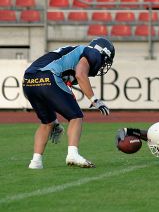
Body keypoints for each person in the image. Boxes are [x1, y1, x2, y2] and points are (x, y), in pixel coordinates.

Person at [24, 38, 115, 169]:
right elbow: (80, 74)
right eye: (106, 60)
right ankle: (72, 154)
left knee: (48, 122)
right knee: (76, 116)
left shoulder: (74, 54)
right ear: (102, 52)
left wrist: (55, 121)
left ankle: (35, 162)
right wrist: (95, 100)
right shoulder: (92, 53)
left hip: (28, 81)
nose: (103, 64)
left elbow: (56, 89)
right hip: (48, 76)